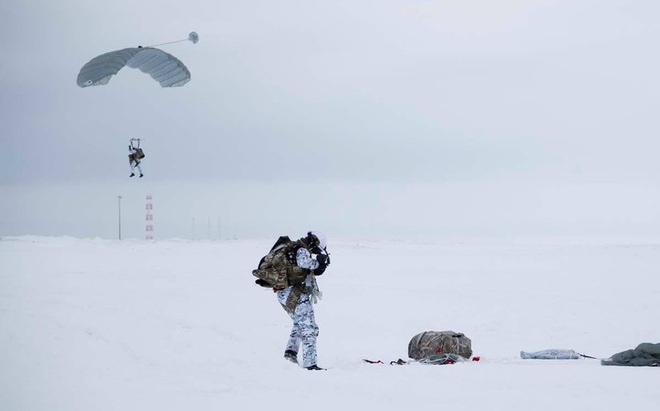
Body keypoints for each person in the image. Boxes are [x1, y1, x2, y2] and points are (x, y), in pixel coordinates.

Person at [257, 231, 330, 370]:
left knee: (299, 324)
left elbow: (300, 269)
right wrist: (319, 263)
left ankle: (290, 353)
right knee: (309, 328)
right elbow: (304, 262)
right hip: (294, 294)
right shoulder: (301, 249)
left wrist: (318, 267)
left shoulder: (294, 248)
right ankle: (310, 364)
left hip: (284, 294)